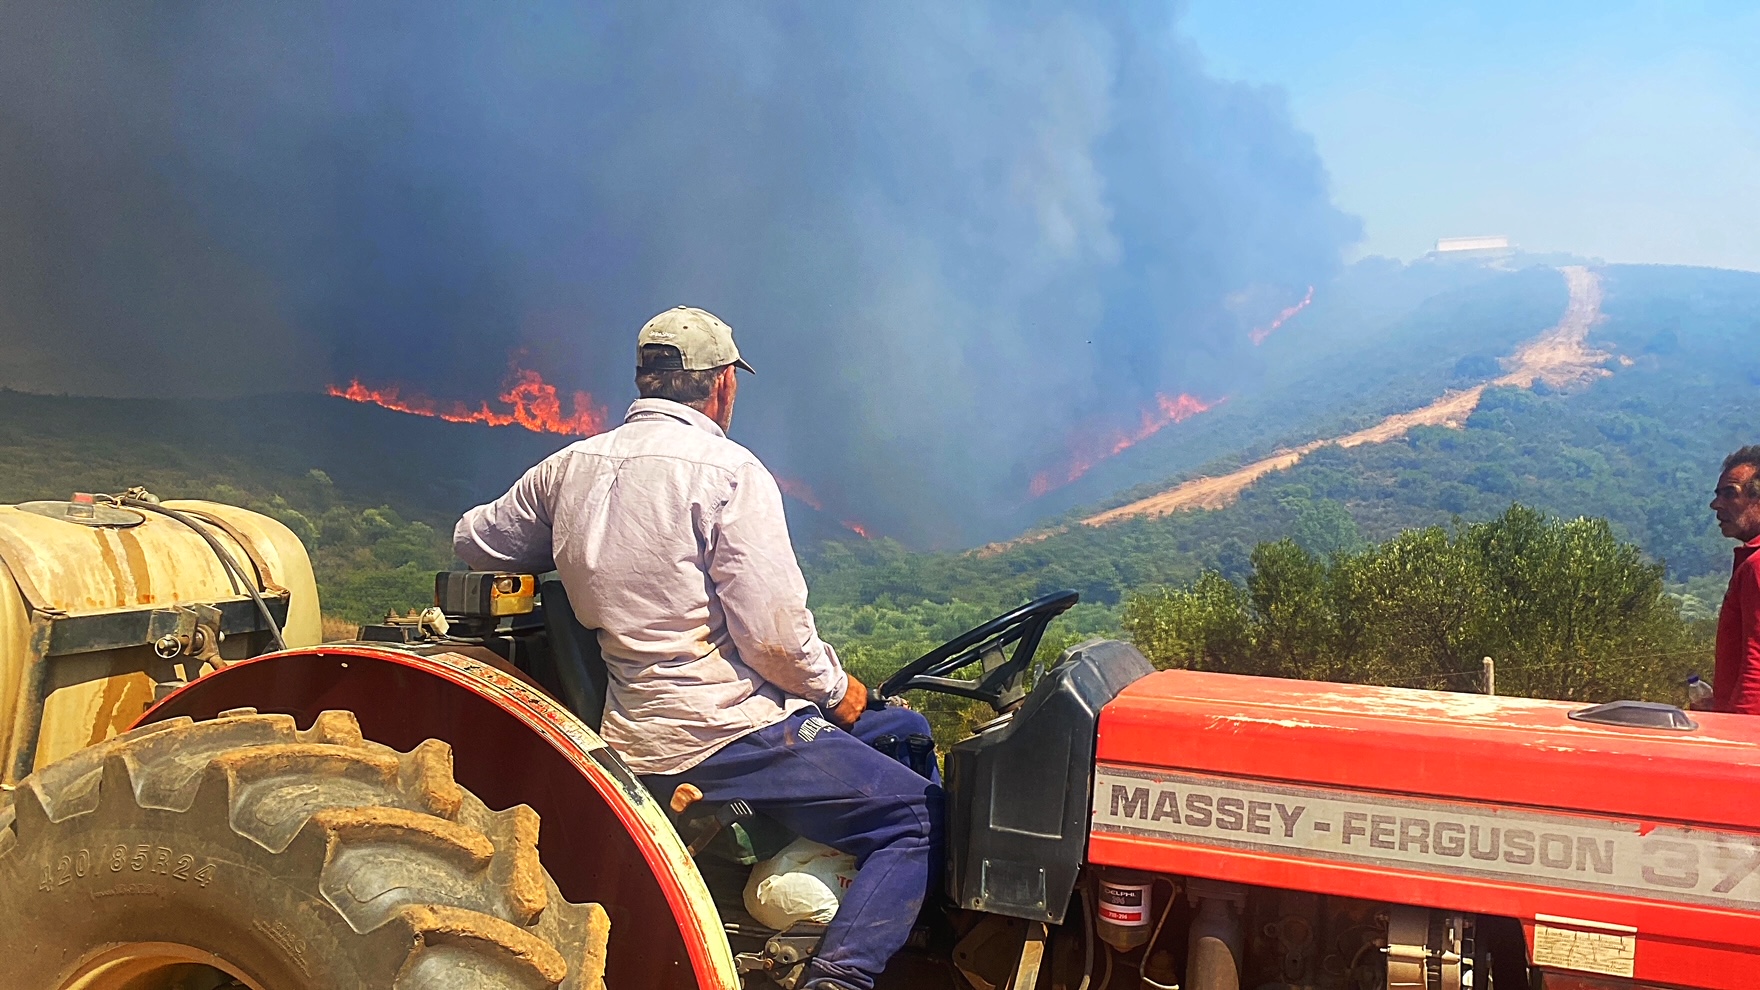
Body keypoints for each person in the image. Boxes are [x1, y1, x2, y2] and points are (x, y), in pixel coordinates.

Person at [454, 305, 940, 990]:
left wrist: (570, 542)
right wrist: (839, 692)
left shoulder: (569, 468)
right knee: (915, 813)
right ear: (721, 385)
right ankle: (843, 976)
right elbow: (774, 639)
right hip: (731, 733)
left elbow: (475, 541)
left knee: (910, 732)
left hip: (634, 730)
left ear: (645, 380)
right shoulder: (729, 471)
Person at [1709, 445, 1760, 714]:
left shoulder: (1757, 565)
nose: (1716, 504)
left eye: (1730, 494)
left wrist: (1736, 730)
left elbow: (1757, 664)